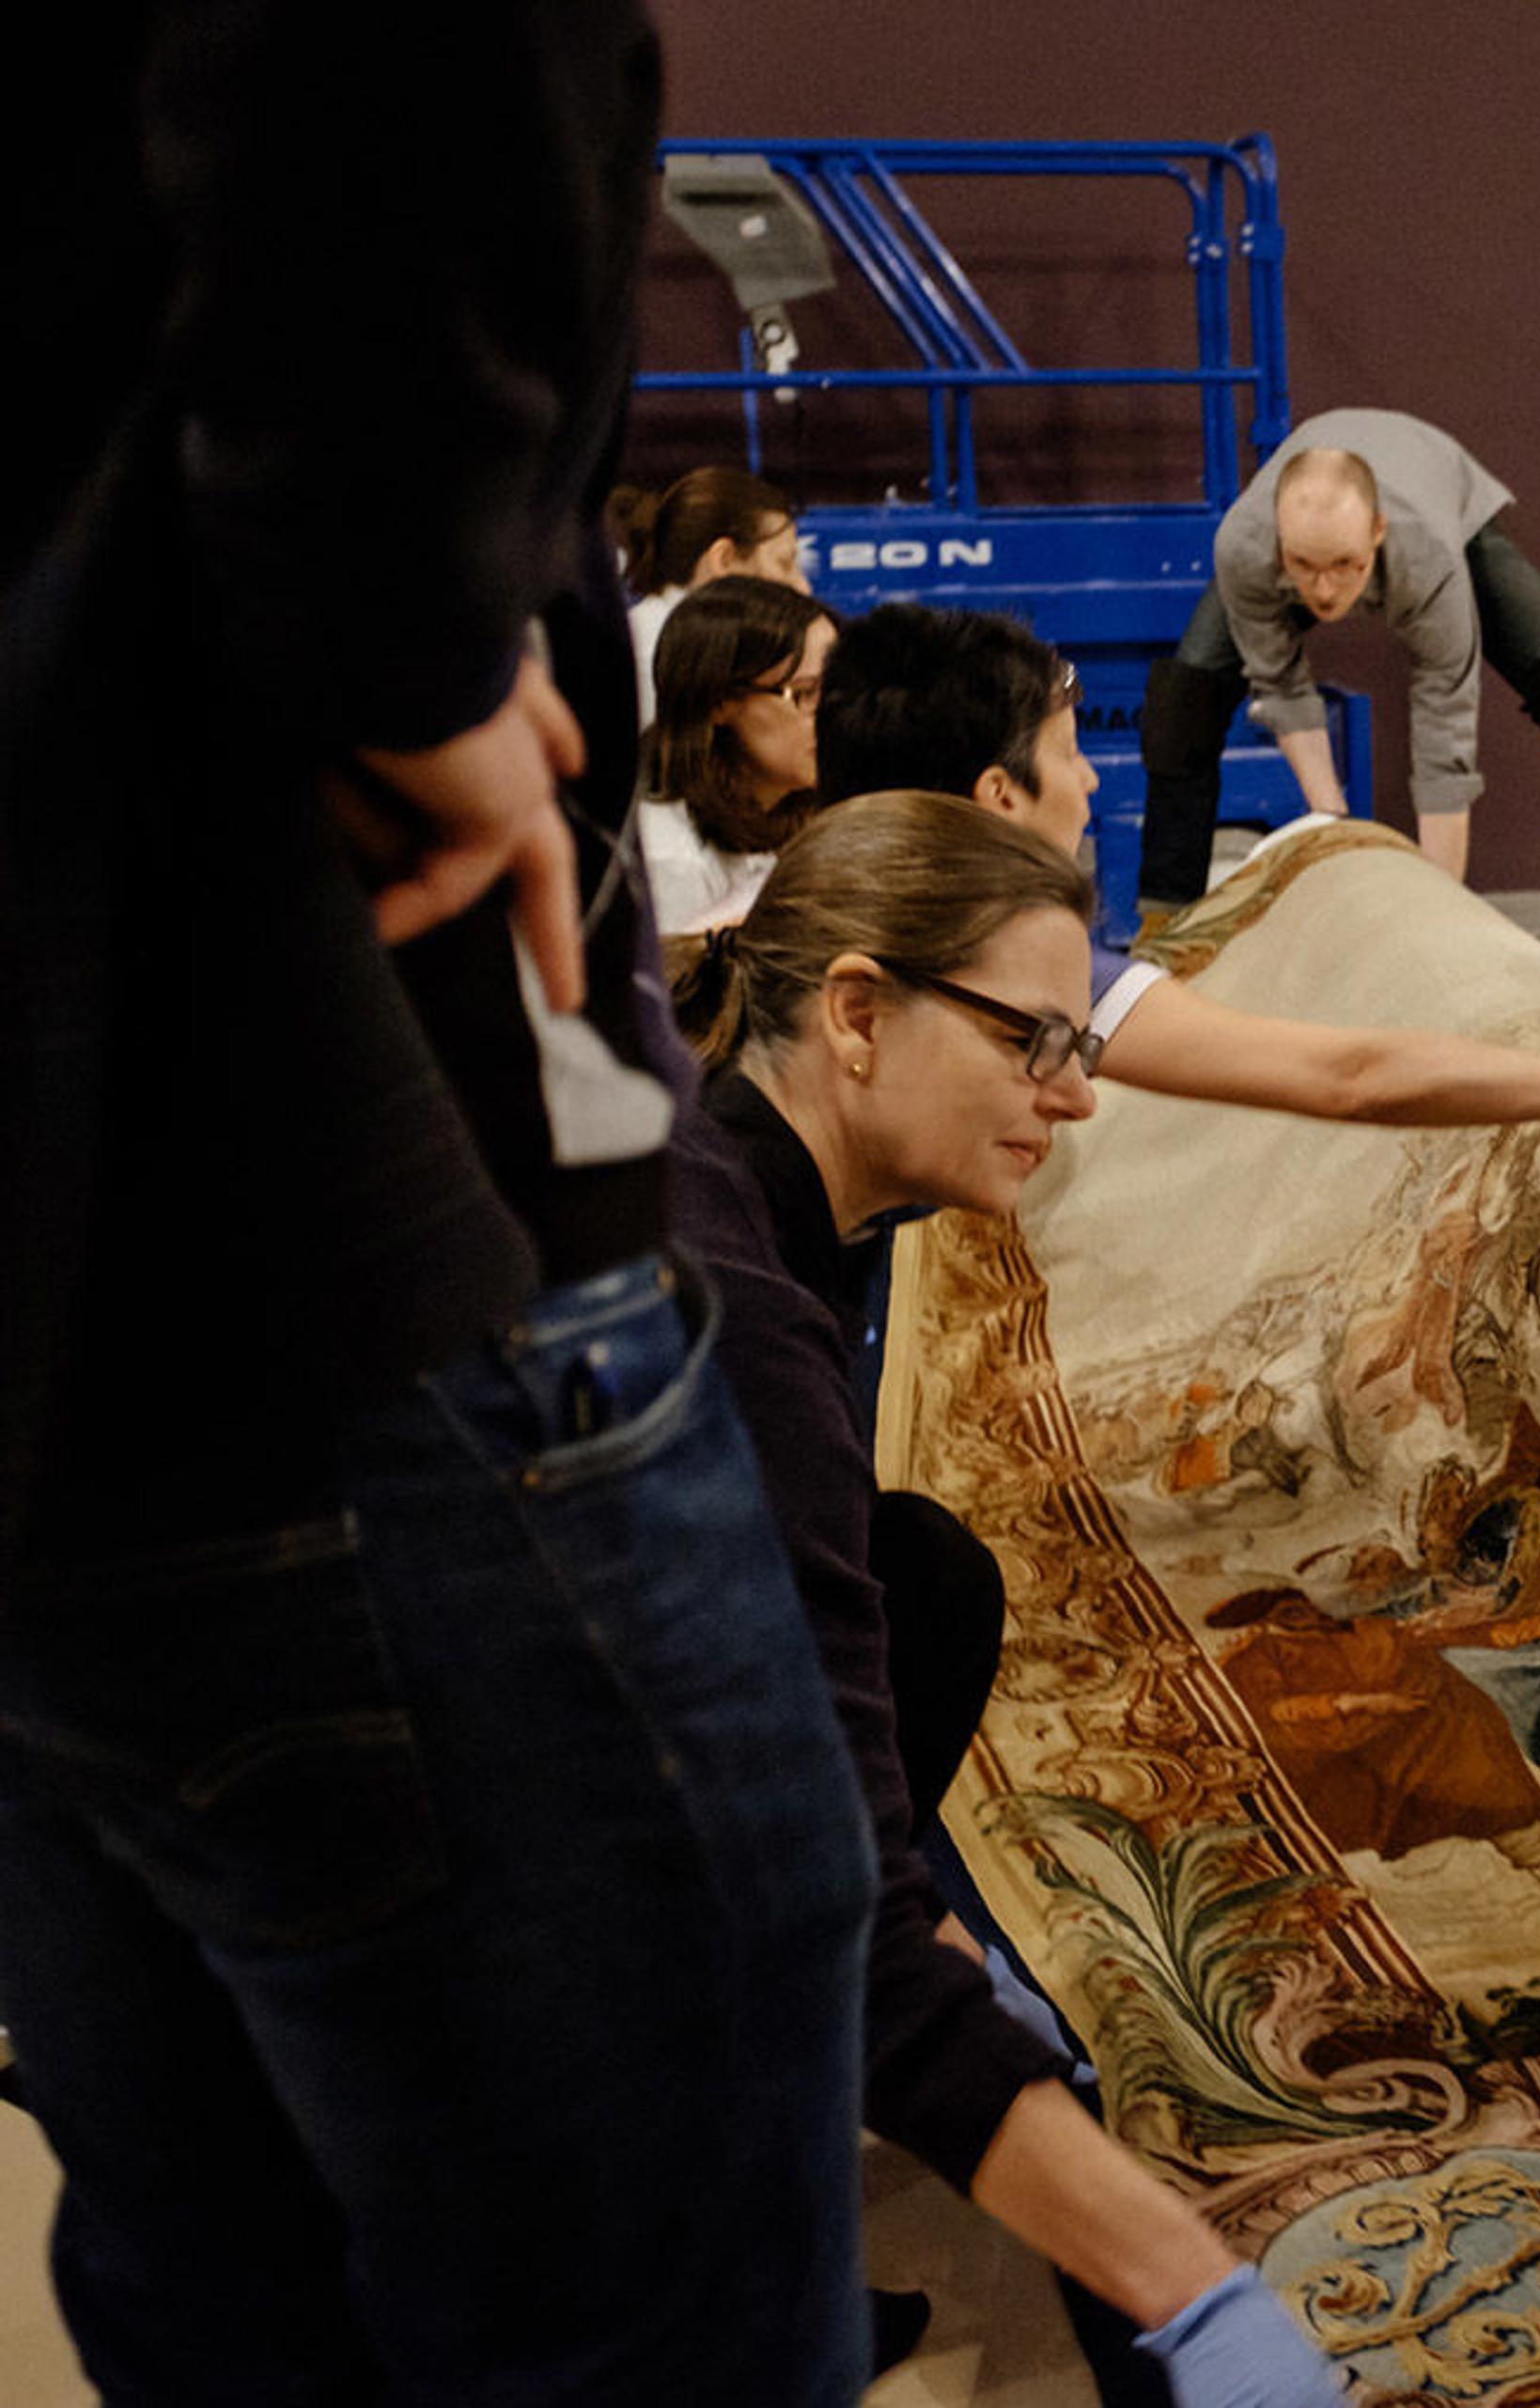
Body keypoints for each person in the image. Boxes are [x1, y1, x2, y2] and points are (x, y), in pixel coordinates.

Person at [3, 2, 878, 2397]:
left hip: (94, 1335)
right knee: (644, 2206)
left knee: (223, 2246)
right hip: (344, 1231)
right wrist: (396, 639)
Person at [672, 793, 1346, 2408]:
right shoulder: (735, 1321)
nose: (1077, 1096)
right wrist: (1197, 2290)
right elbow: (818, 1887)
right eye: (1032, 1038)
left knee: (924, 1575)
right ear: (855, 1012)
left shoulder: (756, 1187)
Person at [817, 599, 1540, 1122]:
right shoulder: (1023, 961)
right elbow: (1348, 1076)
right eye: (1071, 758)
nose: (1091, 786)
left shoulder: (810, 906)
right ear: (998, 799)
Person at [1132, 411, 1540, 1019]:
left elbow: (1446, 715)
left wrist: (1435, 925)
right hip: (1297, 542)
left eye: (1344, 566)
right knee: (1181, 710)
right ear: (1280, 540)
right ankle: (1162, 945)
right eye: (1305, 567)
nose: (1326, 592)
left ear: (1378, 533)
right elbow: (1280, 681)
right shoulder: (1245, 547)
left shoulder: (1428, 556)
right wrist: (1330, 823)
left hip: (1446, 505)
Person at [639, 572, 836, 930]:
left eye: (836, 688)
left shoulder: (795, 817)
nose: (832, 715)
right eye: (805, 693)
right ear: (719, 702)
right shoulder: (670, 858)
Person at [611, 461, 809, 725]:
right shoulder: (654, 658)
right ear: (724, 560)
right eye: (785, 563)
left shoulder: (703, 647)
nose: (802, 587)